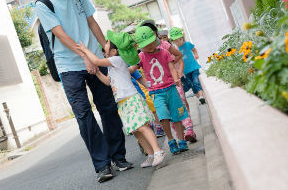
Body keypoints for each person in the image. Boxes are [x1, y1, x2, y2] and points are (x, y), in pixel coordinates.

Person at [35, 0, 132, 183]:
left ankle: (119, 157)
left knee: (108, 107)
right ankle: (102, 165)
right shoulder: (43, 5)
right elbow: (60, 34)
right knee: (84, 115)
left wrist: (104, 47)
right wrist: (83, 56)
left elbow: (91, 22)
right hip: (69, 67)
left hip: (96, 59)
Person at [78, 31, 166, 168]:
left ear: (114, 51)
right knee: (136, 131)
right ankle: (150, 155)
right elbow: (108, 82)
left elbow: (96, 61)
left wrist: (84, 51)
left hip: (131, 99)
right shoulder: (113, 66)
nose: (104, 44)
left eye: (107, 43)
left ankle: (158, 151)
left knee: (142, 127)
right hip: (123, 103)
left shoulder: (116, 61)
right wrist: (98, 73)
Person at [134, 26, 190, 155]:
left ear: (155, 39)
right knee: (163, 117)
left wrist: (176, 78)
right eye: (145, 45)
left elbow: (171, 66)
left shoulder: (164, 52)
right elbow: (134, 70)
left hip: (170, 88)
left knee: (176, 115)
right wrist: (144, 82)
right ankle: (171, 140)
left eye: (150, 43)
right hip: (156, 92)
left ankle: (181, 140)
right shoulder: (141, 56)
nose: (148, 47)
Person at [169, 27, 206, 104]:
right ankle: (200, 98)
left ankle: (201, 96)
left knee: (196, 81)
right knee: (192, 84)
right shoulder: (175, 49)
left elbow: (194, 49)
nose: (178, 42)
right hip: (186, 71)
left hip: (194, 67)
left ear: (182, 38)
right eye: (176, 41)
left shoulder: (187, 44)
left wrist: (196, 55)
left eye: (179, 39)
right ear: (173, 41)